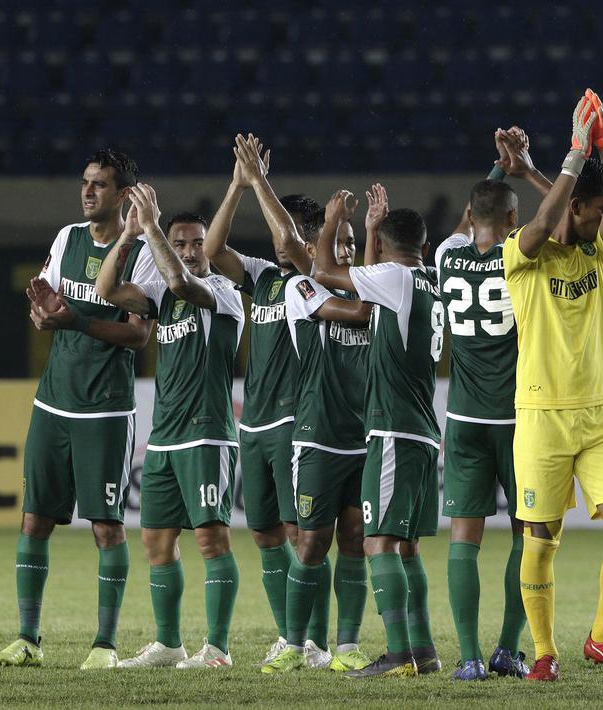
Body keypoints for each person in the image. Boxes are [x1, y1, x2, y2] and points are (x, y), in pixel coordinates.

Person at [0, 149, 155, 670]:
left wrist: (73, 320)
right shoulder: (67, 238)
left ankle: (104, 645)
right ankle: (27, 639)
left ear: (124, 195)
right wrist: (41, 311)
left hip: (105, 409)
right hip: (53, 401)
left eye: (100, 185)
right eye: (85, 182)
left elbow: (137, 334)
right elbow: (48, 306)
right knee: (34, 519)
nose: (87, 192)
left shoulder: (144, 252)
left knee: (106, 527)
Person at [502, 90, 603, 682]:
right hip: (541, 417)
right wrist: (567, 157)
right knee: (540, 537)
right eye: (587, 215)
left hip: (599, 413)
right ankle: (543, 652)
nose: (597, 224)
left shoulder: (594, 258)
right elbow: (544, 221)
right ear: (573, 209)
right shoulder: (520, 257)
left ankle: (602, 637)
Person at [232, 136, 374, 674]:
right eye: (335, 241)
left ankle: (349, 644)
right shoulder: (301, 290)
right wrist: (254, 182)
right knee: (311, 540)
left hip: (366, 434)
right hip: (315, 437)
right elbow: (293, 247)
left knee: (357, 537)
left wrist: (370, 230)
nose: (343, 249)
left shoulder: (372, 284)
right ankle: (295, 644)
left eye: (351, 243)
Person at [98, 184, 245, 670]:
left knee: (210, 539)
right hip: (164, 435)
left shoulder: (222, 291)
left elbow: (182, 283)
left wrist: (155, 229)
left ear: (209, 247)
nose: (187, 251)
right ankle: (168, 644)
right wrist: (129, 236)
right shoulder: (162, 296)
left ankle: (218, 648)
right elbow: (106, 291)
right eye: (179, 244)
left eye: (196, 243)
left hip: (207, 431)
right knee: (157, 540)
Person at [201, 135, 328, 667]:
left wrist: (259, 182)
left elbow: (292, 245)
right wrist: (236, 185)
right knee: (265, 535)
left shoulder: (319, 280)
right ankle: (288, 636)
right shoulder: (264, 278)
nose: (283, 242)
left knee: (305, 534)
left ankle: (315, 642)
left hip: (298, 422)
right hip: (252, 425)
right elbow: (209, 253)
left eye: (294, 234)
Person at [434, 127, 550, 681]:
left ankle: (469, 658)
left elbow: (471, 216)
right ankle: (507, 647)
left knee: (464, 537)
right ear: (511, 220)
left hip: (462, 419)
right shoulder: (518, 256)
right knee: (527, 531)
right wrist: (522, 168)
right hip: (518, 418)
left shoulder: (447, 254)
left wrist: (498, 169)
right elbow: (563, 217)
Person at [311, 188, 442, 678]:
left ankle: (397, 654)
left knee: (376, 543)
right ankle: (423, 650)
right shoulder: (426, 279)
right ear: (422, 246)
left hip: (392, 429)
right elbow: (371, 289)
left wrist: (331, 224)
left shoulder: (395, 277)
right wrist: (369, 230)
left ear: (387, 252)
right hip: (422, 430)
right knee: (404, 545)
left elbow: (324, 273)